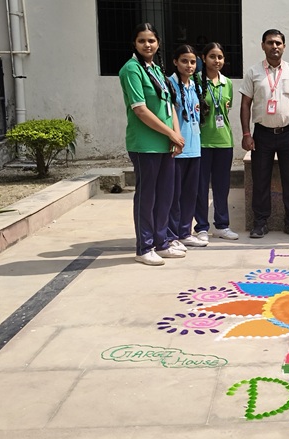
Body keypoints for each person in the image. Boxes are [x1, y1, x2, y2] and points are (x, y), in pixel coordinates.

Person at [118, 23, 186, 265]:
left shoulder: (156, 69)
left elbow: (170, 106)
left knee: (165, 195)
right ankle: (144, 247)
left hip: (165, 144)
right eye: (142, 41)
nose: (147, 45)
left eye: (151, 40)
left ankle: (161, 242)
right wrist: (171, 134)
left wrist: (176, 135)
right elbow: (140, 110)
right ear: (134, 44)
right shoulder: (131, 69)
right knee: (147, 197)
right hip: (145, 145)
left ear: (158, 43)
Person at [239, 29, 289, 239]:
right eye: (270, 42)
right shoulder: (253, 72)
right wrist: (246, 133)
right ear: (263, 46)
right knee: (260, 180)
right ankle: (260, 223)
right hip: (262, 135)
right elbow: (245, 104)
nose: (274, 46)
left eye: (278, 43)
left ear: (284, 47)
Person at [194, 42, 239, 241]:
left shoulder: (227, 83)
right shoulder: (194, 80)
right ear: (203, 58)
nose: (217, 61)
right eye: (212, 56)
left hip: (224, 142)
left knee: (222, 187)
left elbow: (226, 110)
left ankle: (222, 225)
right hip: (202, 142)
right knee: (201, 187)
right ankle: (202, 227)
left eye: (220, 57)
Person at [166, 44, 207, 249]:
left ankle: (185, 232)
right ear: (175, 62)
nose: (189, 65)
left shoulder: (195, 86)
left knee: (191, 193)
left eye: (192, 62)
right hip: (177, 149)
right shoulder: (169, 84)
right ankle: (171, 235)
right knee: (174, 195)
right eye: (184, 61)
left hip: (194, 147)